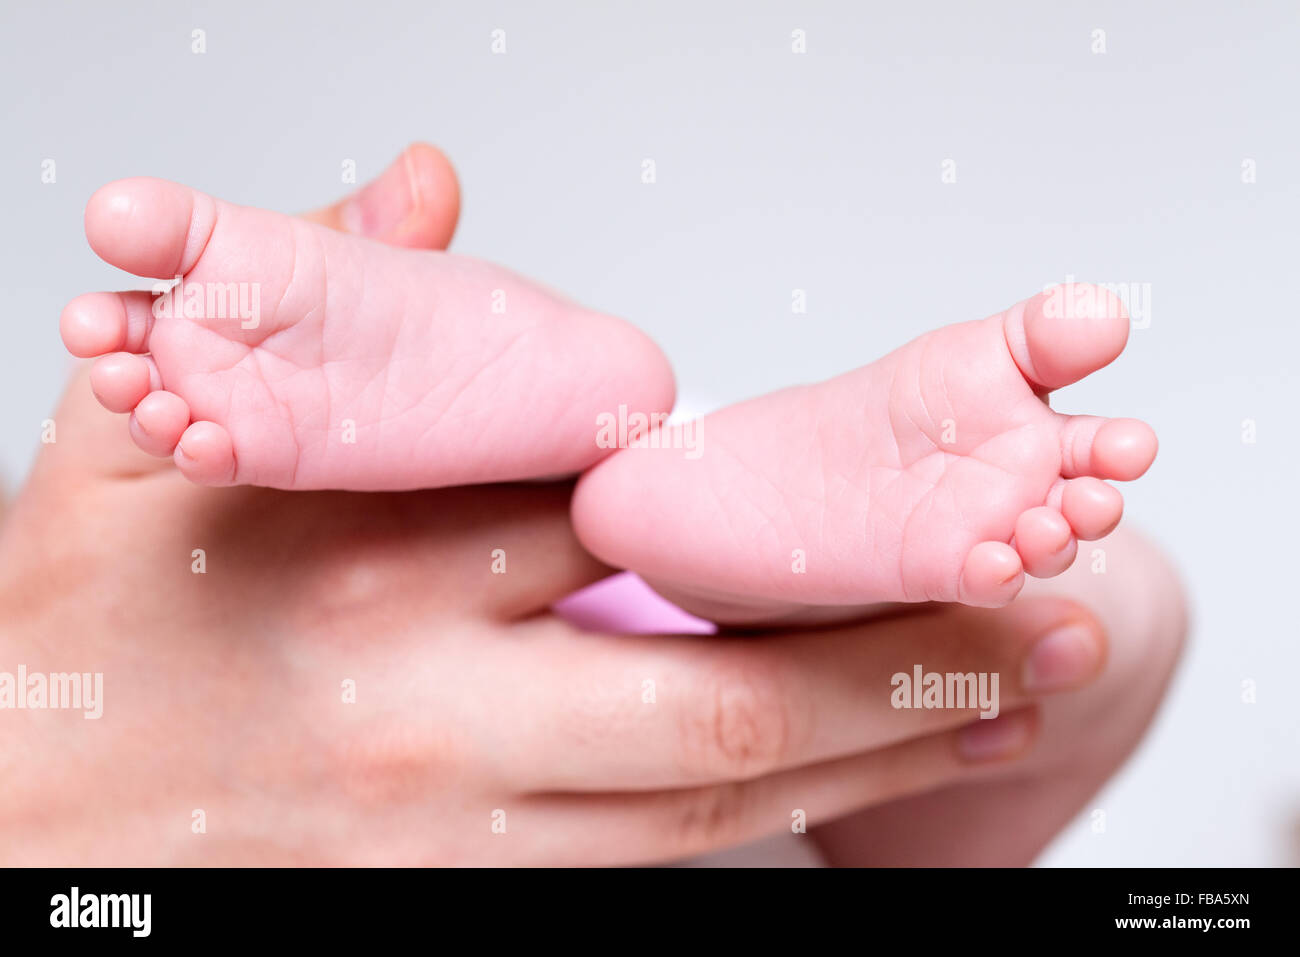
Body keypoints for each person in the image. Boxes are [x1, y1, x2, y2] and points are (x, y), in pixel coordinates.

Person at [0, 146, 1187, 865]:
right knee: (1101, 626)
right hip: (671, 761)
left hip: (571, 699)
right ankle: (732, 556)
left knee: (1046, 634)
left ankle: (738, 557)